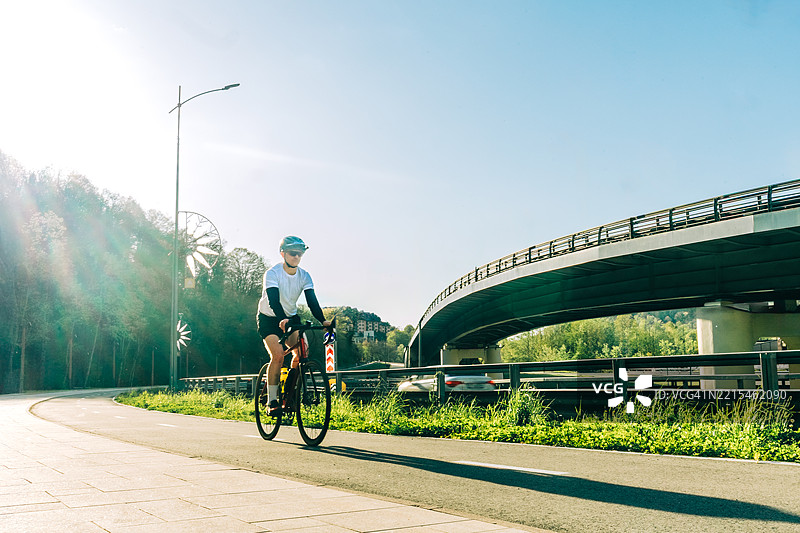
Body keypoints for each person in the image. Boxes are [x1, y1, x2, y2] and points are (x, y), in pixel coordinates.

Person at [257, 236, 331, 414]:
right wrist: (282, 319)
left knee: (302, 352)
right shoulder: (273, 273)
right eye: (293, 253)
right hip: (269, 318)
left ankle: (290, 393)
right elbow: (274, 301)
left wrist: (323, 321)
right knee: (278, 356)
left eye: (300, 253)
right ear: (283, 254)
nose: (296, 257)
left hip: (290, 317)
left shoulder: (304, 276)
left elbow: (312, 301)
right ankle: (272, 401)